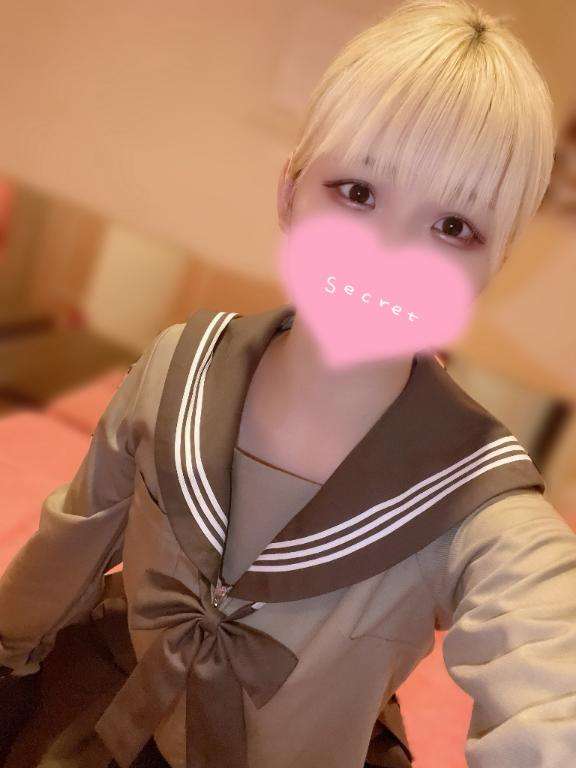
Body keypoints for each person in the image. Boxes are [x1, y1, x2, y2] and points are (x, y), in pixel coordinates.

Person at [1, 1, 575, 767]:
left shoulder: (477, 501)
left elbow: (551, 673)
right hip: (105, 715)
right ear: (289, 193)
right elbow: (70, 540)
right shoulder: (175, 368)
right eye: (358, 193)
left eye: (453, 228)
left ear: (491, 267)